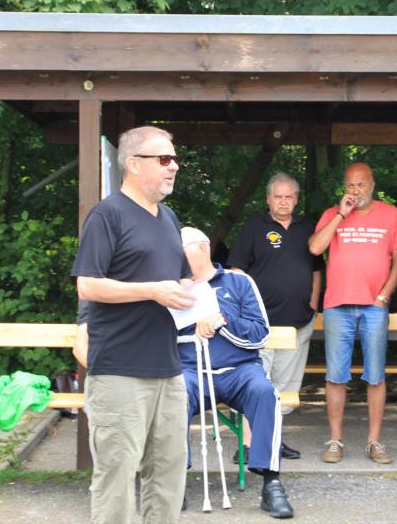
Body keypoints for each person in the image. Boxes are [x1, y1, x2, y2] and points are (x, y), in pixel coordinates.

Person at [72, 126, 195, 524]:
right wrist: (152, 291)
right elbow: (88, 285)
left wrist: (195, 297)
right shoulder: (107, 215)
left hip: (169, 369)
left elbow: (176, 281)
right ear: (133, 164)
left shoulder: (169, 218)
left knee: (169, 476)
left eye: (175, 159)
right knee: (117, 478)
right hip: (119, 370)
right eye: (164, 159)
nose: (174, 166)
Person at [178, 227, 294, 519]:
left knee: (264, 392)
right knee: (172, 394)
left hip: (239, 371)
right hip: (192, 372)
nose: (175, 257)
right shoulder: (172, 289)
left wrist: (222, 321)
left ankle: (271, 483)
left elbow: (260, 335)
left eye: (181, 249)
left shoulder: (239, 281)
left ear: (202, 248)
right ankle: (173, 480)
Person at [309, 162, 397, 465]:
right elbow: (315, 248)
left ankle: (374, 442)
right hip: (337, 305)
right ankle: (335, 441)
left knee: (376, 376)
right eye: (351, 185)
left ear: (372, 185)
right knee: (335, 376)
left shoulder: (392, 215)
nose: (356, 190)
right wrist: (341, 214)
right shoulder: (332, 213)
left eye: (361, 184)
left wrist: (384, 296)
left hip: (373, 306)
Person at [227, 172, 323, 462]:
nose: (283, 202)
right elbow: (236, 271)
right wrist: (244, 312)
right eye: (278, 197)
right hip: (260, 325)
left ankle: (273, 441)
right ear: (268, 199)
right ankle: (247, 445)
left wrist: (313, 304)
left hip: (298, 324)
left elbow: (317, 270)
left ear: (296, 199)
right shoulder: (254, 227)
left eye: (288, 197)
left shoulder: (307, 229)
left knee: (283, 388)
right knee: (255, 384)